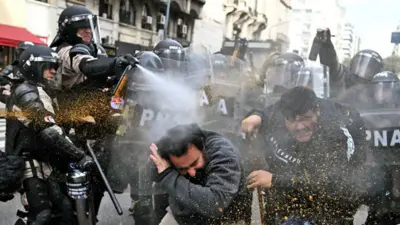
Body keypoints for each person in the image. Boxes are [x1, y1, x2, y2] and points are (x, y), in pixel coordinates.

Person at [241, 86, 371, 224]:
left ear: (317, 111)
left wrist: (274, 180)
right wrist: (255, 116)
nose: (300, 127)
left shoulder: (334, 134)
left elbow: (324, 184)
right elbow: (268, 112)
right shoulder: (285, 110)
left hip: (335, 192)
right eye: (293, 120)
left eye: (306, 118)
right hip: (302, 173)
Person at [6, 45, 94, 225]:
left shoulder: (43, 91)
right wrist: (80, 156)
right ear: (33, 67)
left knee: (64, 210)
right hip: (29, 163)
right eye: (48, 66)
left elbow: (57, 127)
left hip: (45, 161)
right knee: (42, 215)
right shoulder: (26, 92)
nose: (53, 71)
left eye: (55, 66)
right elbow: (49, 132)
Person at [149, 123, 252, 225]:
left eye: (194, 163)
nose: (192, 173)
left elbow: (215, 204)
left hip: (225, 219)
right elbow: (153, 172)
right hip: (184, 215)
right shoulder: (170, 148)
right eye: (183, 169)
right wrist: (159, 156)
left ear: (203, 146)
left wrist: (168, 175)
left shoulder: (224, 154)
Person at [310, 28, 383, 98]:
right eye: (359, 64)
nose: (362, 70)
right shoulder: (345, 79)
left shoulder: (378, 92)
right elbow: (333, 67)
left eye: (367, 68)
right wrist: (327, 46)